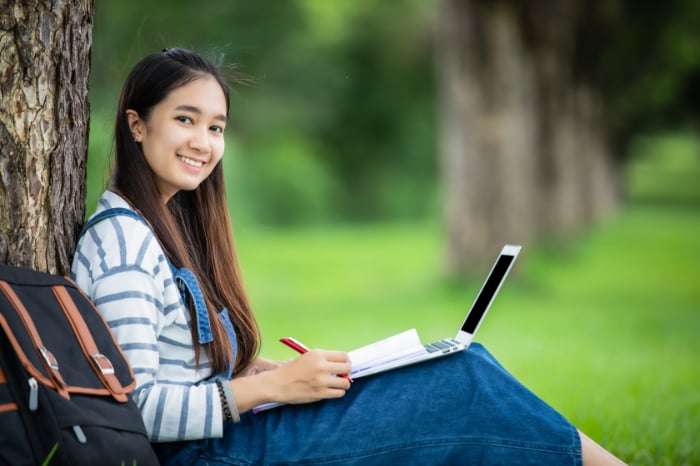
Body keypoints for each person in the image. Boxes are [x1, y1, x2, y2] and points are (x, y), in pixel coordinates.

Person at [71, 48, 625, 465]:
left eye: (216, 127)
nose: (204, 142)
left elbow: (181, 368)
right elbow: (131, 410)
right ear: (137, 124)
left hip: (228, 436)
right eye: (185, 120)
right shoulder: (124, 244)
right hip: (205, 455)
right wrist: (272, 388)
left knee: (461, 366)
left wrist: (275, 372)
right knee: (462, 383)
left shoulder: (164, 228)